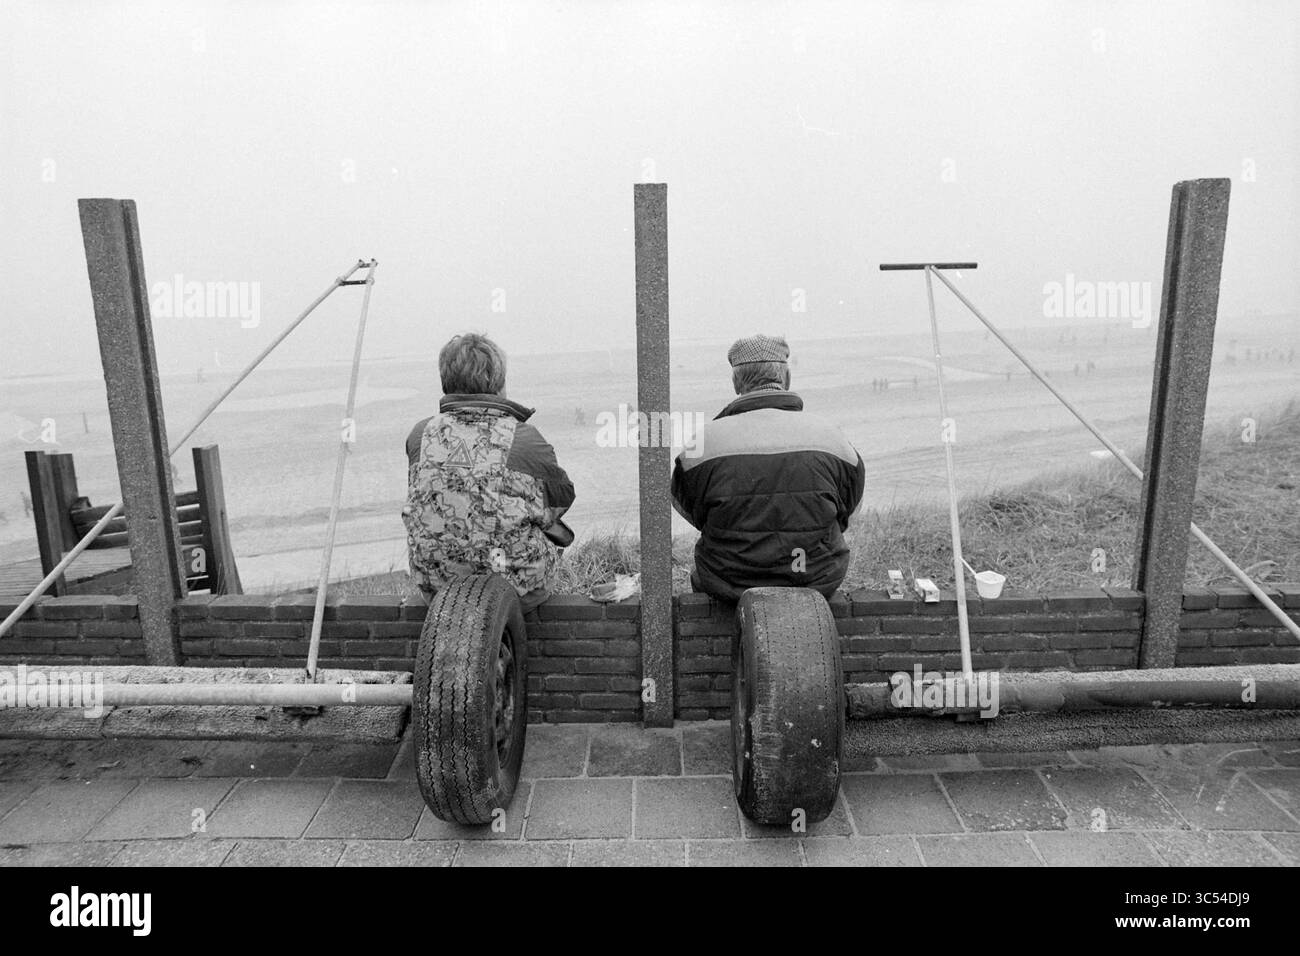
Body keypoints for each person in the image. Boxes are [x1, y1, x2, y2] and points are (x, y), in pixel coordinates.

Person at [671, 334, 865, 601]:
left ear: (736, 382)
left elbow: (689, 509)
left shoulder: (703, 442)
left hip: (728, 580)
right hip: (815, 577)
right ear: (786, 379)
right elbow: (849, 509)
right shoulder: (832, 437)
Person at [403, 333, 575, 613]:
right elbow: (561, 498)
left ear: (445, 381)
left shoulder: (420, 435)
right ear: (498, 382)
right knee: (548, 533)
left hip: (436, 589)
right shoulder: (526, 438)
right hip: (516, 590)